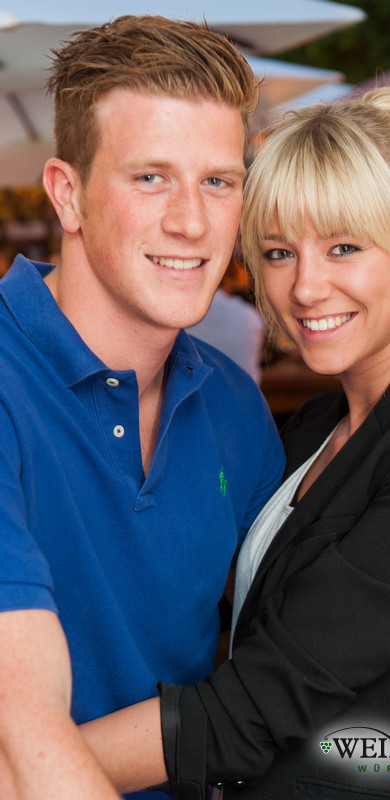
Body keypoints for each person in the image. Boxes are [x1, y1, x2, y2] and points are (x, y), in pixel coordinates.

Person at [80, 89, 390, 799]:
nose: (306, 287)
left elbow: (258, 706)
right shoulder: (315, 424)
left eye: (344, 247)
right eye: (280, 253)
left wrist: (30, 766)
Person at [0, 15, 285, 800]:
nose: (192, 221)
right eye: (151, 177)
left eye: (218, 181)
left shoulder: (235, 407)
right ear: (68, 195)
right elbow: (21, 730)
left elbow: (281, 678)